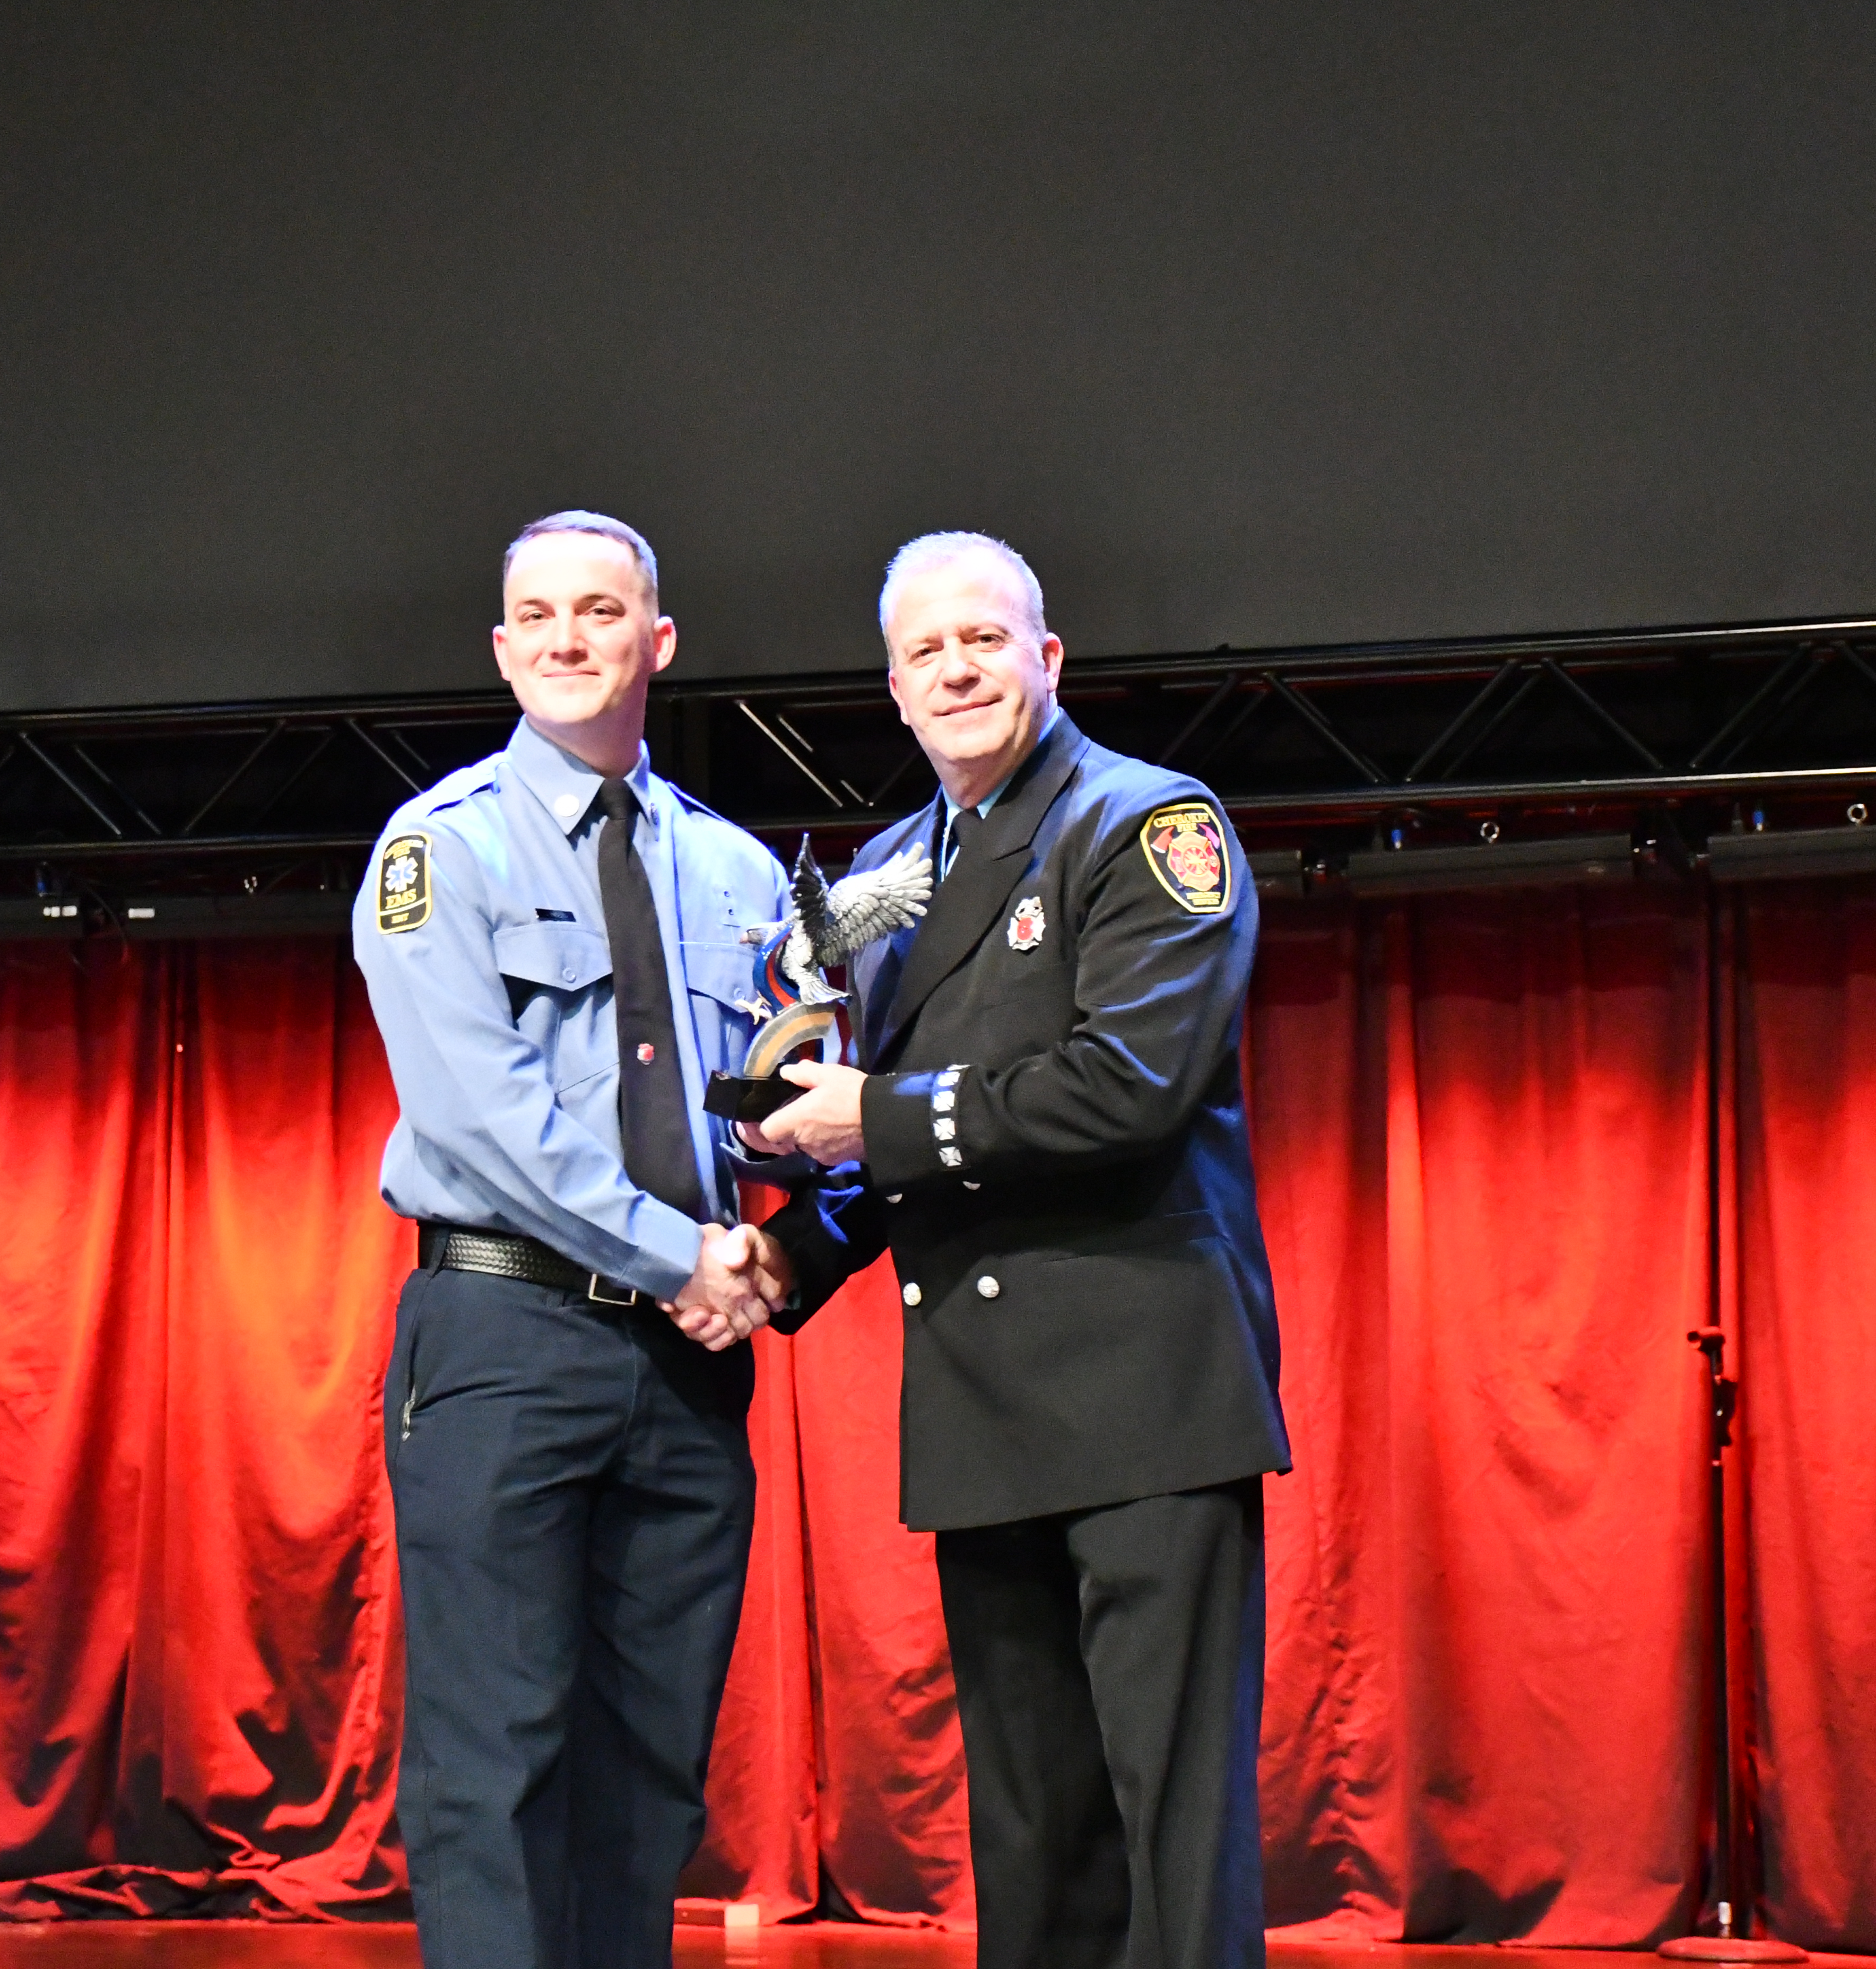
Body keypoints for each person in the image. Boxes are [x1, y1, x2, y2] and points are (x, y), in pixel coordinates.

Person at [743, 532, 1289, 1969]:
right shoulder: (882, 879)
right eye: (927, 653)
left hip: (1144, 1401)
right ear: (897, 692)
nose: (957, 669)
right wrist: (791, 1255)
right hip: (985, 1412)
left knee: (1171, 1828)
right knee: (1035, 1835)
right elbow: (902, 1146)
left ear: (1047, 659)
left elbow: (1129, 1086)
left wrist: (877, 1115)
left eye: (984, 640)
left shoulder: (1149, 821)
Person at [352, 511, 799, 1969]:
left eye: (598, 614)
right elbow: (479, 1119)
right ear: (500, 648)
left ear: (656, 642)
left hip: (685, 1368)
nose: (565, 640)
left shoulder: (739, 873)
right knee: (499, 1762)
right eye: (535, 617)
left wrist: (767, 1253)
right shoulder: (439, 851)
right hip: (506, 1342)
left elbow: (785, 1104)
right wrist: (686, 1257)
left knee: (650, 1768)